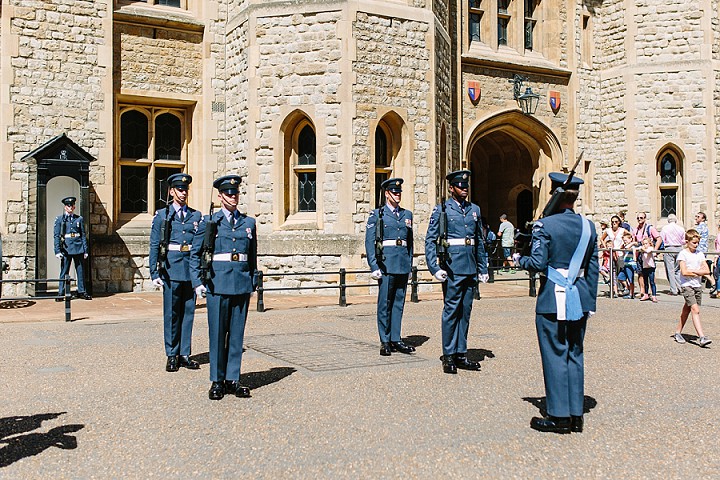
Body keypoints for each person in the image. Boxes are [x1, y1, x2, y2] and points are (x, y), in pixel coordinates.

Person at [513, 172, 598, 434]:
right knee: (575, 352)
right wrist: (589, 300)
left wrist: (519, 259)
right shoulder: (589, 227)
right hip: (580, 297)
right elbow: (592, 268)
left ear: (554, 194)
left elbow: (538, 263)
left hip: (553, 297)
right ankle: (576, 414)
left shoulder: (545, 226)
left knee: (555, 354)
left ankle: (559, 416)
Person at [190, 175, 258, 400]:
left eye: (236, 193)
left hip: (240, 283)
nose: (233, 197)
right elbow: (196, 254)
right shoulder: (210, 223)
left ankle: (233, 378)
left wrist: (252, 280)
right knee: (218, 334)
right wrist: (197, 281)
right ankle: (217, 380)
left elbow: (252, 256)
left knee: (237, 335)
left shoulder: (248, 223)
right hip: (217, 284)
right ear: (220, 196)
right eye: (228, 193)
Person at [425, 170, 489, 375]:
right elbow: (430, 240)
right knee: (451, 311)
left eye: (466, 186)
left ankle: (461, 353)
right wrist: (434, 267)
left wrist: (483, 267)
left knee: (465, 311)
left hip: (470, 266)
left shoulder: (474, 210)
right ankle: (449, 354)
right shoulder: (442, 210)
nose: (464, 189)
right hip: (452, 266)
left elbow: (479, 240)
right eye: (460, 186)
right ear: (451, 188)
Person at [149, 173, 202, 373]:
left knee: (188, 312)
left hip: (189, 270)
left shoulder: (195, 216)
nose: (183, 193)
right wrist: (154, 271)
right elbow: (155, 244)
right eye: (179, 189)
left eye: (185, 189)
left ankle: (185, 353)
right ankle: (172, 354)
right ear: (171, 191)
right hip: (170, 269)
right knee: (172, 313)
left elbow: (199, 246)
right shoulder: (163, 215)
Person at [364, 178, 416, 356]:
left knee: (399, 303)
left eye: (399, 192)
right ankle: (384, 340)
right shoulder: (377, 215)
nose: (397, 194)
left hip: (401, 263)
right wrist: (373, 265)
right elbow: (370, 242)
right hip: (386, 264)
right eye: (394, 192)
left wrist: (409, 265)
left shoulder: (407, 214)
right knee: (385, 303)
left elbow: (410, 243)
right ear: (387, 194)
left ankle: (396, 338)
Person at [674, 229, 712, 347]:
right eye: (694, 243)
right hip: (687, 285)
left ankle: (677, 332)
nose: (696, 245)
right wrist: (699, 272)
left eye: (697, 243)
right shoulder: (683, 254)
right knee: (695, 310)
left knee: (687, 309)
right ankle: (702, 337)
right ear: (688, 241)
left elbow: (707, 270)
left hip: (697, 285)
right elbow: (684, 272)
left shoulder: (700, 254)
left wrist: (695, 272)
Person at [53, 196, 91, 301]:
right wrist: (57, 250)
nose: (70, 208)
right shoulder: (60, 219)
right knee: (64, 271)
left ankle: (82, 291)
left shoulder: (79, 219)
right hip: (66, 248)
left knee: (80, 271)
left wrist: (85, 249)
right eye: (68, 206)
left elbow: (83, 234)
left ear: (74, 207)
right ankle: (61, 292)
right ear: (65, 207)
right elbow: (56, 236)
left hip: (78, 247)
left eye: (72, 206)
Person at [631, 213, 662, 298]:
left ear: (645, 218)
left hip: (648, 255)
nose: (639, 219)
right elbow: (634, 241)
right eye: (638, 218)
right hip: (639, 254)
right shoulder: (635, 230)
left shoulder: (650, 228)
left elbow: (659, 239)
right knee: (640, 273)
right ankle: (643, 291)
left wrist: (654, 251)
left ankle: (652, 292)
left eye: (641, 218)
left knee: (651, 274)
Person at [659, 214, 686, 295]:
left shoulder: (665, 228)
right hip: (679, 248)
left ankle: (673, 289)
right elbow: (683, 240)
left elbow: (662, 239)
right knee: (677, 270)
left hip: (669, 248)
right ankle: (680, 288)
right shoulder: (681, 228)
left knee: (670, 270)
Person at [694, 212, 715, 291]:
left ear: (703, 219)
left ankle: (711, 281)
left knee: (699, 267)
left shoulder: (701, 227)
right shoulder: (704, 226)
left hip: (699, 250)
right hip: (702, 249)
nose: (696, 218)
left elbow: (694, 235)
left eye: (698, 217)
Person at [617, 232, 637, 299]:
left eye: (626, 240)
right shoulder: (625, 246)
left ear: (630, 239)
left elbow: (628, 247)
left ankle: (631, 294)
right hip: (625, 264)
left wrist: (632, 242)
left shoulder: (632, 246)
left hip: (630, 264)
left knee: (630, 279)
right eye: (624, 240)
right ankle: (628, 288)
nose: (625, 242)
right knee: (620, 277)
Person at [638, 237, 658, 302]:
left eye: (646, 243)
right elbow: (637, 248)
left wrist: (642, 248)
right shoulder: (642, 248)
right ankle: (646, 294)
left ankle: (654, 295)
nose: (645, 245)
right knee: (645, 282)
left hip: (651, 267)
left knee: (652, 282)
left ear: (649, 243)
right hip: (645, 267)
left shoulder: (651, 248)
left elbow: (648, 251)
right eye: (643, 244)